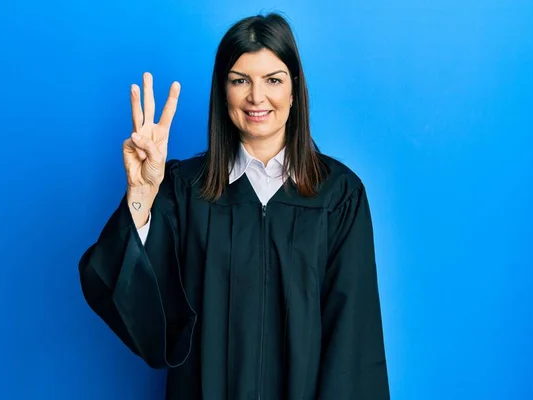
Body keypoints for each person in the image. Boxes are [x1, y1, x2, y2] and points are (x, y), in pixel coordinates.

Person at [78, 12, 390, 400]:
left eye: (273, 80)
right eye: (240, 80)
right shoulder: (184, 189)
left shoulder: (338, 195)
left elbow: (352, 343)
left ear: (295, 90)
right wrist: (142, 193)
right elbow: (134, 297)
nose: (256, 97)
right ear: (223, 91)